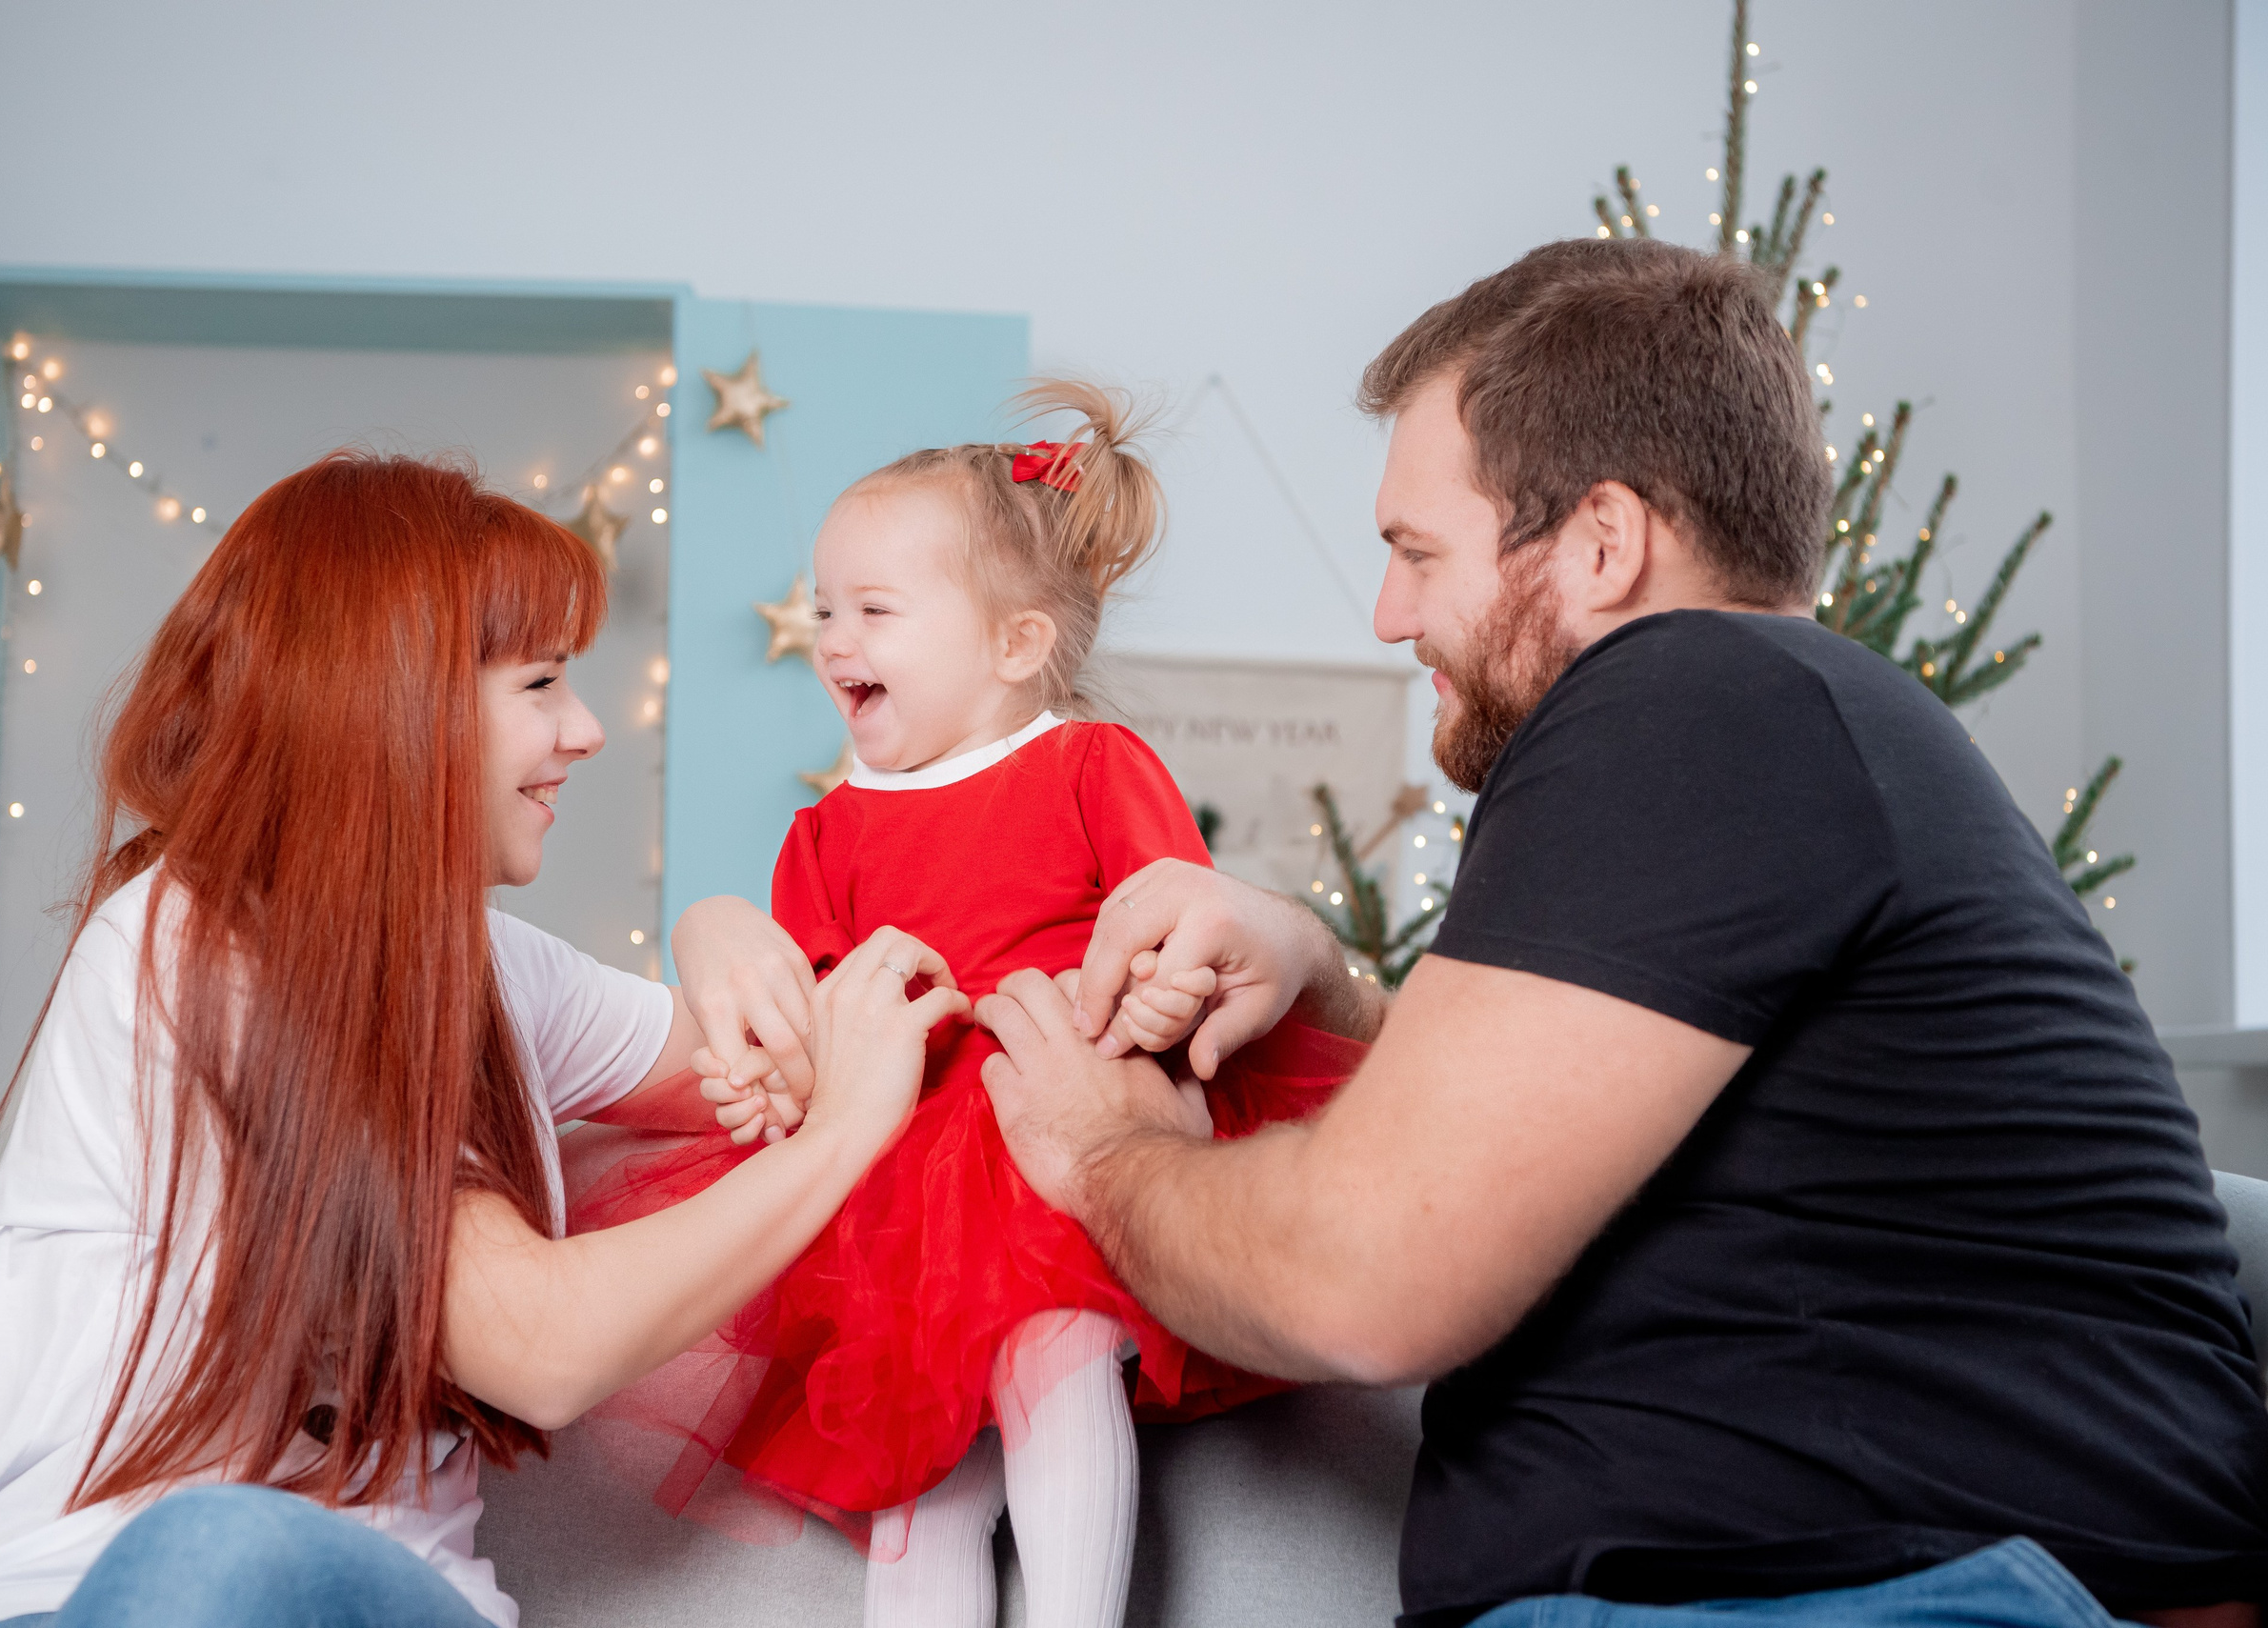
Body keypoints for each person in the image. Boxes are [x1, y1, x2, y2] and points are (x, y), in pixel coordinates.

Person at [969, 239, 2268, 1628]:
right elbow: (1561, 1116)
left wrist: (1104, 1152)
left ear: (1602, 542)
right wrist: (1322, 974)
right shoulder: (1787, 720)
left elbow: (1362, 1278)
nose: (1392, 613)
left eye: (1417, 552)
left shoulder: (1695, 694)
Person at [0, 453, 968, 1628]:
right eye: (541, 682)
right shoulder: (199, 948)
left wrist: (719, 929)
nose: (585, 729)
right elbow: (538, 1343)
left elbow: (770, 1066)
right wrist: (838, 1137)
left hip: (376, 1600)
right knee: (215, 1549)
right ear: (395, 703)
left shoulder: (486, 962)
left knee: (223, 1550)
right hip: (63, 1595)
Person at [567, 381, 1360, 1628]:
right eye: (826, 608)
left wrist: (1161, 996)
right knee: (921, 1478)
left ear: (1016, 643)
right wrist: (781, 1068)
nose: (836, 637)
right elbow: (825, 1021)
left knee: (1053, 1365)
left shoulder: (1088, 763)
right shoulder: (824, 832)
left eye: (875, 609)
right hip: (903, 1181)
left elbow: (1174, 922)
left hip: (1058, 1125)